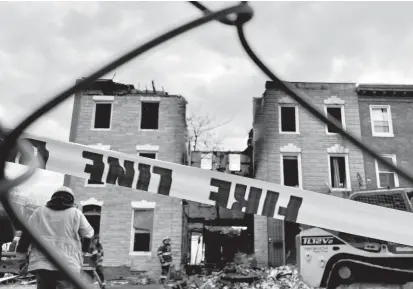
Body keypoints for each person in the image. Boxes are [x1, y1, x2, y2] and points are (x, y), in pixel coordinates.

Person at [15, 186, 94, 289]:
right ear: (71, 199)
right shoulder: (76, 213)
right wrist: (83, 253)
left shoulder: (39, 212)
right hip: (68, 264)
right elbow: (88, 234)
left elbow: (26, 236)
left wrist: (21, 258)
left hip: (42, 263)